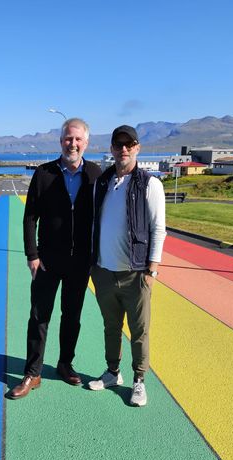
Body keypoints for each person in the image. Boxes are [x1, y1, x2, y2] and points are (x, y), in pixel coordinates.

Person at [7, 118, 102, 400]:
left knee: (72, 317)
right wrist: (32, 255)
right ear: (60, 141)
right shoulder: (44, 174)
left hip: (80, 261)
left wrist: (97, 257)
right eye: (67, 139)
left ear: (87, 142)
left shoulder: (96, 175)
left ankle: (64, 364)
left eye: (78, 139)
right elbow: (30, 217)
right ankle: (32, 373)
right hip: (47, 260)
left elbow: (103, 219)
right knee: (39, 317)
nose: (72, 144)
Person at [88, 125, 166, 407]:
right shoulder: (103, 181)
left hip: (136, 274)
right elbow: (96, 223)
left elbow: (158, 229)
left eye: (129, 144)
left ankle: (139, 381)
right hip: (104, 271)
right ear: (111, 148)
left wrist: (151, 270)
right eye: (118, 144)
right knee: (111, 326)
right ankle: (113, 372)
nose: (123, 149)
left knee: (139, 330)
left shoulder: (150, 184)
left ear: (137, 148)